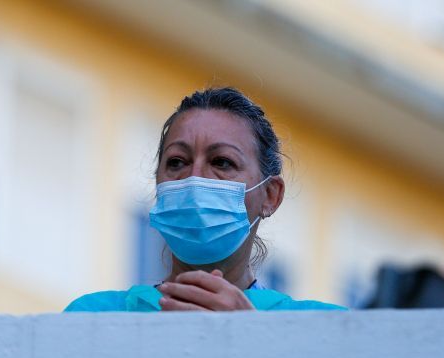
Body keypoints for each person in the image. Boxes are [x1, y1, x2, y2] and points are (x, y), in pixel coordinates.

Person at [65, 87, 346, 312]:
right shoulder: (92, 317)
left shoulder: (324, 329)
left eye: (222, 162)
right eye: (177, 162)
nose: (194, 177)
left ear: (270, 195)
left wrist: (250, 339)